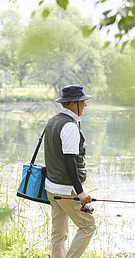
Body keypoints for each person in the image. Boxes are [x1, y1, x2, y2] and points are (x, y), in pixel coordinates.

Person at [44, 84, 96, 258]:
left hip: (51, 188)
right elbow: (69, 161)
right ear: (74, 103)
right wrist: (80, 192)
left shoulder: (53, 121)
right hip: (66, 190)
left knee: (58, 234)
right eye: (83, 101)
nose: (85, 105)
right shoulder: (70, 127)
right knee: (88, 226)